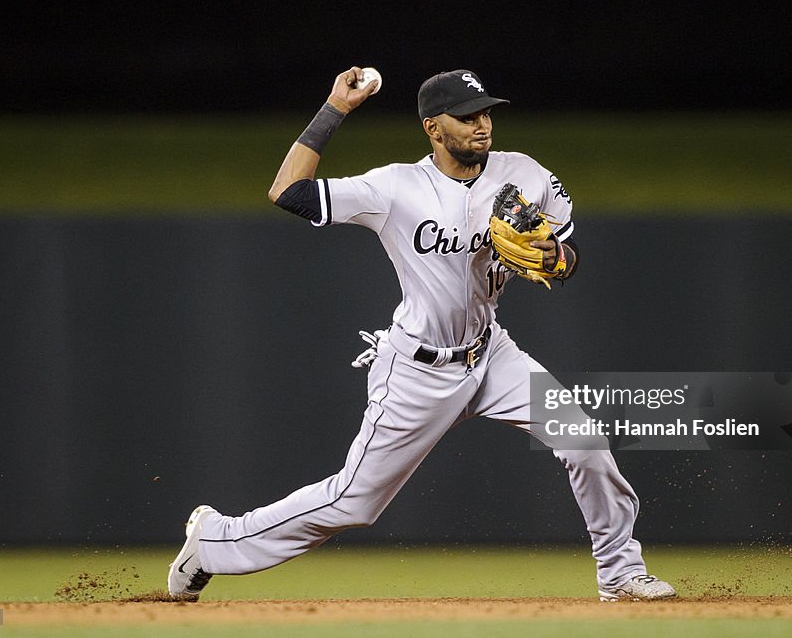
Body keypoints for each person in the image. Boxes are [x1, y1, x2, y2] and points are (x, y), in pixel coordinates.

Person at [168, 67, 675, 602]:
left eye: (485, 114)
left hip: (491, 354)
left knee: (585, 442)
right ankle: (213, 542)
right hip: (417, 369)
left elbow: (568, 258)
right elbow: (287, 191)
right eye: (466, 117)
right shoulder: (394, 188)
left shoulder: (524, 173)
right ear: (434, 128)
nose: (482, 126)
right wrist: (336, 107)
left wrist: (555, 257)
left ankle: (620, 573)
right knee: (353, 503)